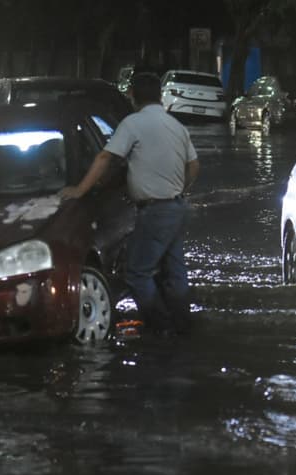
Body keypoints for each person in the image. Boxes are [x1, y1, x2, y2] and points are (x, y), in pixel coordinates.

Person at [60, 72, 199, 337]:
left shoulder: (133, 124)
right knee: (176, 271)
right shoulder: (175, 125)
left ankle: (160, 324)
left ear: (133, 96)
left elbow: (104, 157)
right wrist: (181, 189)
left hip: (155, 211)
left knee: (137, 273)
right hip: (177, 208)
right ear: (159, 95)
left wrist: (80, 189)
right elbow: (194, 165)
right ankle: (183, 325)